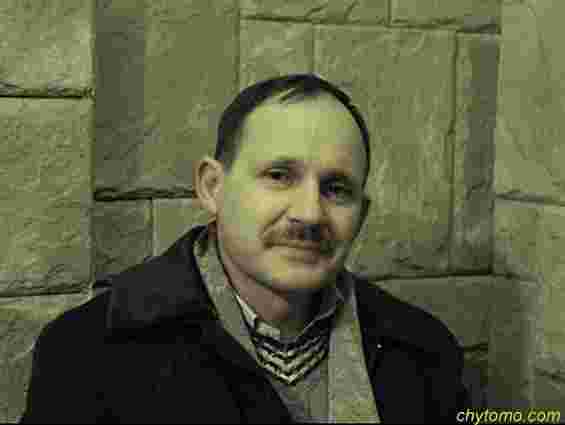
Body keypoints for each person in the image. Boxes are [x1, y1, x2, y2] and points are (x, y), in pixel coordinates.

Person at [20, 74, 471, 423]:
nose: (309, 214)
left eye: (336, 189)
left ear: (362, 213)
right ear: (212, 187)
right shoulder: (89, 354)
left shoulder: (427, 353)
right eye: (279, 176)